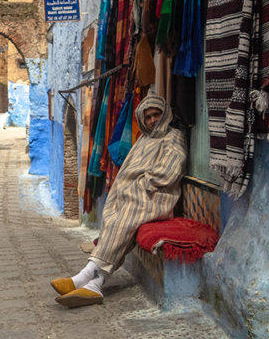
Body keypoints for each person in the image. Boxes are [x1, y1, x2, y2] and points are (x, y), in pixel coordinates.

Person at [51, 92, 186, 307]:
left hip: (156, 196)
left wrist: (140, 185)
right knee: (115, 219)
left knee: (121, 221)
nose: (152, 120)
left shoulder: (173, 137)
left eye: (156, 115)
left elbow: (168, 172)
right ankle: (92, 282)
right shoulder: (145, 138)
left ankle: (85, 279)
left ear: (165, 115)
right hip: (136, 196)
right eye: (148, 116)